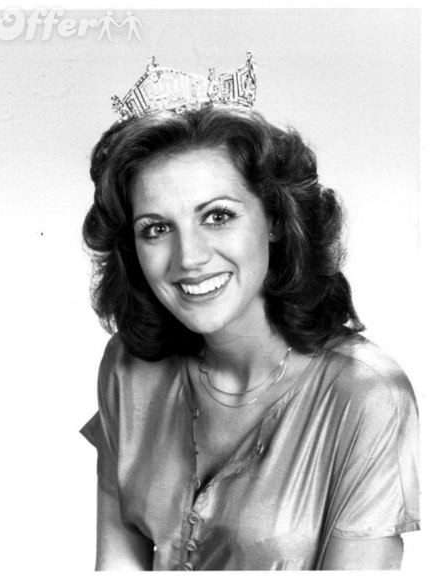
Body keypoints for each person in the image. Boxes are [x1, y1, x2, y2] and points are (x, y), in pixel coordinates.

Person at [80, 55, 419, 571]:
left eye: (217, 216)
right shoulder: (129, 368)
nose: (189, 257)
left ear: (276, 220)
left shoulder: (367, 394)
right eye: (156, 227)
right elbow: (116, 568)